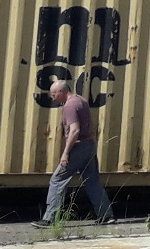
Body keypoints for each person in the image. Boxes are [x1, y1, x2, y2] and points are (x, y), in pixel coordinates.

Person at [35, 77, 112, 224]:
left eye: (54, 94)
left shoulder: (69, 106)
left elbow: (75, 130)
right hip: (89, 145)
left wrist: (66, 153)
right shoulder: (81, 100)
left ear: (62, 91)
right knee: (92, 181)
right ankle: (106, 215)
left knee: (57, 180)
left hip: (79, 146)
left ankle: (50, 219)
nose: (52, 97)